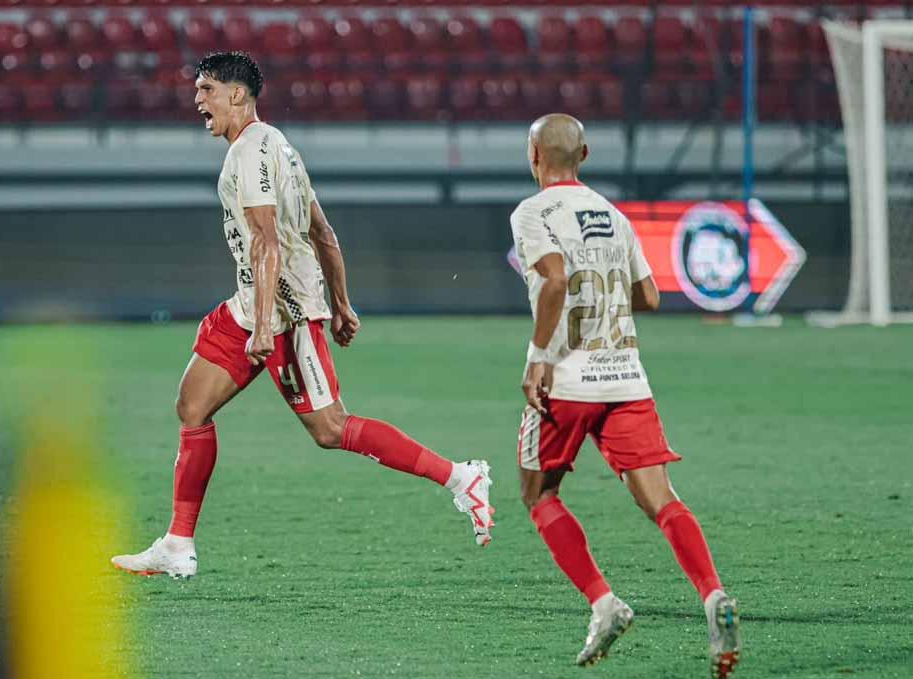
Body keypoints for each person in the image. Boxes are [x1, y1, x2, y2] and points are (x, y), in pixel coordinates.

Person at [111, 52, 494, 580]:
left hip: (285, 312)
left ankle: (460, 476)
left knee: (330, 428)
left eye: (207, 89)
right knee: (192, 405)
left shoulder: (248, 153)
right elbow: (324, 235)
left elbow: (268, 243)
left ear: (238, 94)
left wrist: (270, 322)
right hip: (252, 304)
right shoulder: (283, 149)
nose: (198, 99)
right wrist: (343, 302)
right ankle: (178, 544)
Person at [509, 113, 741, 678]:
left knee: (538, 493)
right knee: (662, 500)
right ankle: (712, 595)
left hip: (567, 376)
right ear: (583, 155)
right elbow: (651, 296)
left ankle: (603, 602)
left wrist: (539, 357)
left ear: (535, 157)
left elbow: (558, 280)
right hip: (626, 375)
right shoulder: (614, 215)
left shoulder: (533, 212)